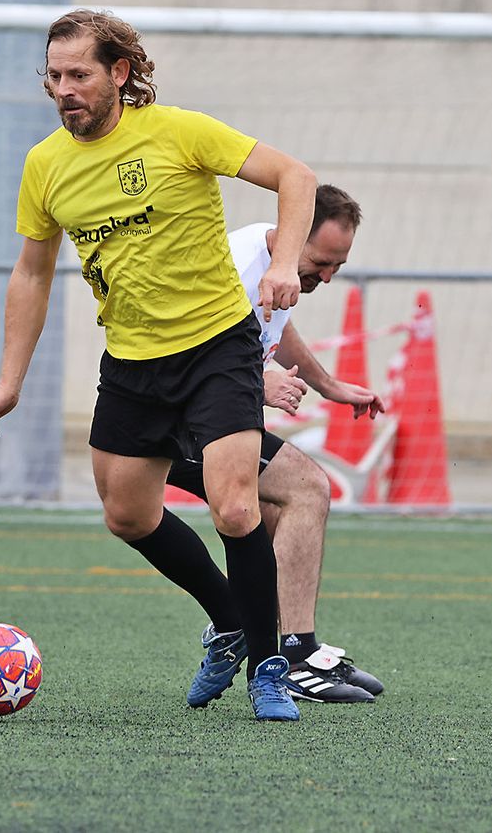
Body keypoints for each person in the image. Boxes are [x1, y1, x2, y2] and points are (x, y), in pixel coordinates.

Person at [0, 9, 317, 722]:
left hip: (218, 347)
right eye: (54, 76)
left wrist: (284, 263)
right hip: (131, 361)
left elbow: (295, 176)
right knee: (126, 514)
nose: (64, 89)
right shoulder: (45, 165)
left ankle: (270, 667)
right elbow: (31, 274)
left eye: (79, 75)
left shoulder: (178, 132)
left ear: (119, 73)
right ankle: (230, 620)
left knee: (236, 503)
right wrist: (9, 383)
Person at [165, 184, 386, 703]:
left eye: (338, 265)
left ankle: (263, 641)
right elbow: (186, 350)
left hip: (206, 420)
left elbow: (276, 329)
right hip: (178, 425)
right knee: (308, 488)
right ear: (292, 235)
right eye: (322, 261)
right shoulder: (237, 264)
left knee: (274, 509)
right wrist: (257, 382)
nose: (328, 276)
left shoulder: (279, 271)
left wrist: (331, 386)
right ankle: (293, 653)